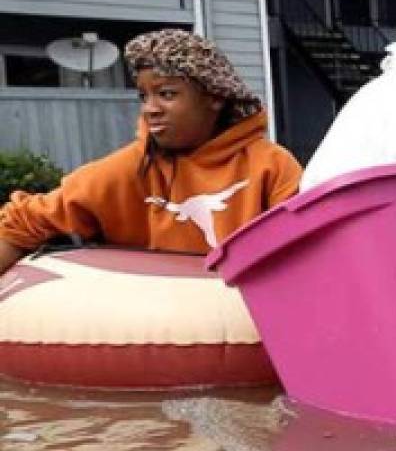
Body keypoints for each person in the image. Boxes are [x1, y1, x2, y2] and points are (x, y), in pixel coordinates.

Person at [0, 29, 301, 276]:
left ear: (215, 98)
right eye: (144, 96)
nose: (150, 110)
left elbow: (308, 252)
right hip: (151, 337)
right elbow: (21, 224)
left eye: (167, 94)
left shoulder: (271, 166)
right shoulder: (129, 167)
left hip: (244, 331)